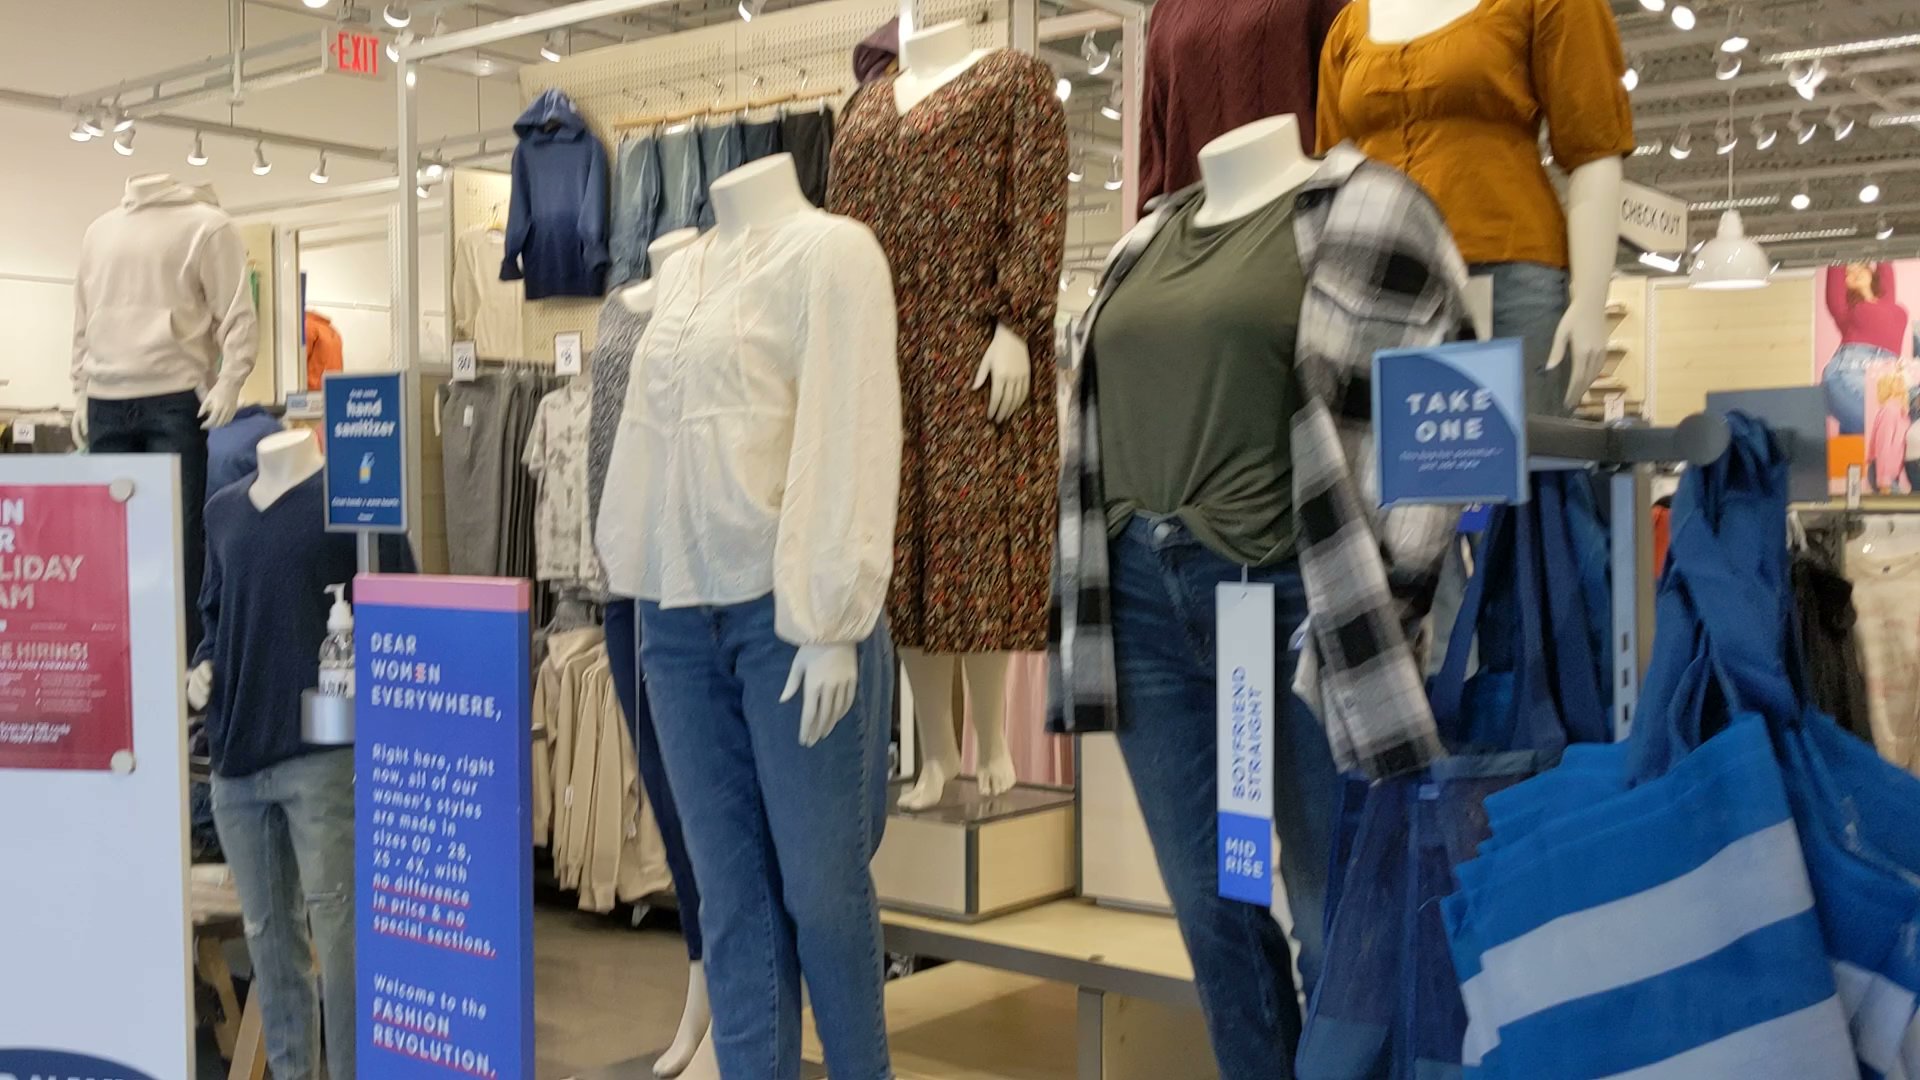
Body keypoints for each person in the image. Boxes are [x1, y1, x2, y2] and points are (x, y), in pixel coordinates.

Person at [1823, 263, 1909, 435]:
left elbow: (1884, 261)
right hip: (1850, 372)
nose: (1855, 272)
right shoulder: (1844, 308)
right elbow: (1835, 263)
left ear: (1871, 273)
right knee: (1891, 425)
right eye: (1848, 273)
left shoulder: (1887, 300)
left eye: (1860, 267)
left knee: (1889, 430)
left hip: (1887, 377)